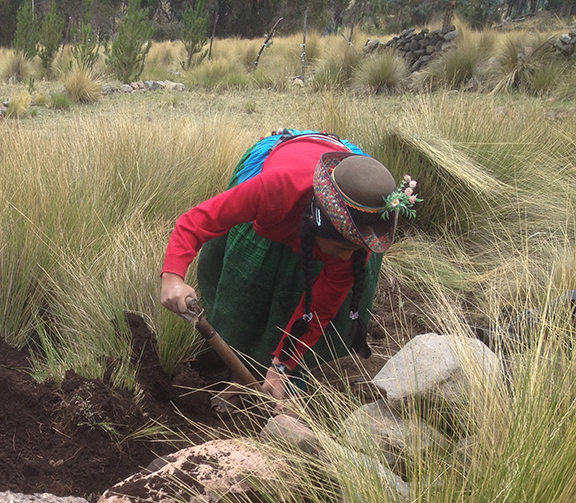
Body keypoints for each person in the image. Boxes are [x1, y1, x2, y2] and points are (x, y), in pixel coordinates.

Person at [161, 128, 415, 401]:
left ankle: (288, 384)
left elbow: (318, 310)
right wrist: (173, 277)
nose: (345, 258)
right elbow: (197, 221)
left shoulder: (355, 248)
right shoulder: (274, 190)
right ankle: (240, 377)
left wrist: (281, 367)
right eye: (341, 249)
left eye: (352, 250)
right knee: (247, 293)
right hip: (290, 179)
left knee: (316, 300)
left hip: (356, 180)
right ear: (317, 228)